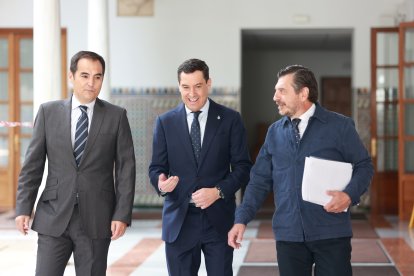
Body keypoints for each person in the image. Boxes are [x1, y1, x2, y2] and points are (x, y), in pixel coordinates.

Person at [228, 65, 374, 276]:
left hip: (331, 233)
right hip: (289, 236)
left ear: (303, 93)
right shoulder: (274, 133)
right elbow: (259, 181)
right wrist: (241, 219)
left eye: (282, 91)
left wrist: (349, 195)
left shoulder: (339, 127)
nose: (275, 97)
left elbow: (364, 166)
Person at [15, 51, 136, 276]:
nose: (91, 83)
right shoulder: (48, 112)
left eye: (98, 77)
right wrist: (23, 207)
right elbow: (32, 165)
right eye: (85, 75)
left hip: (97, 218)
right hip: (53, 214)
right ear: (71, 77)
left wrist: (121, 214)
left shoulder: (116, 116)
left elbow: (126, 169)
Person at [149, 58, 252, 276]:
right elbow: (156, 167)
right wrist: (161, 182)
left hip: (219, 220)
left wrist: (218, 191)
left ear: (208, 83)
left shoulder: (230, 119)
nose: (192, 93)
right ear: (179, 86)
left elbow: (243, 168)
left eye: (198, 86)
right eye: (186, 87)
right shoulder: (165, 122)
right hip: (179, 221)